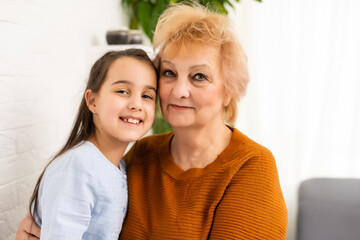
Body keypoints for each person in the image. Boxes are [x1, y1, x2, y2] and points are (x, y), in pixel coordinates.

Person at [17, 2, 288, 239]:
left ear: (230, 90)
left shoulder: (252, 167)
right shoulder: (140, 156)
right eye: (169, 72)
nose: (179, 91)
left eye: (199, 76)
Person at [18, 49, 157, 239]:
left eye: (147, 96)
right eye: (123, 91)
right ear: (93, 101)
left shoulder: (121, 167)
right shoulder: (79, 166)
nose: (137, 104)